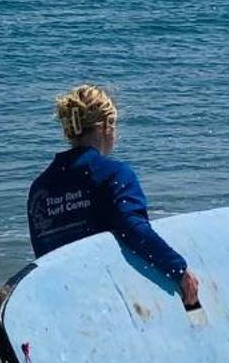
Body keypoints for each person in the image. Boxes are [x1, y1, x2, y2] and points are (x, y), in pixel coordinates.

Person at [28, 85, 200, 307]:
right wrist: (179, 270)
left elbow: (43, 255)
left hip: (63, 299)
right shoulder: (114, 174)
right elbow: (133, 228)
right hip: (107, 295)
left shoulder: (39, 188)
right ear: (107, 125)